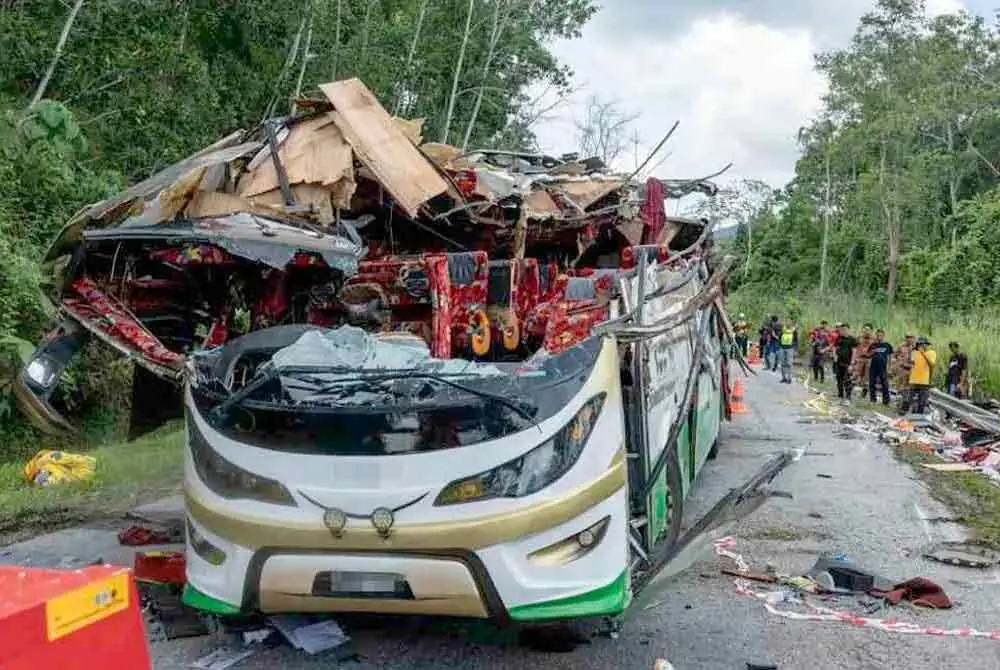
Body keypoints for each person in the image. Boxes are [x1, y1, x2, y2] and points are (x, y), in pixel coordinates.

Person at [901, 337, 937, 414]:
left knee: (922, 401)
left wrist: (923, 353)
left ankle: (919, 417)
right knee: (908, 399)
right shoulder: (914, 353)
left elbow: (931, 365)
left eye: (922, 344)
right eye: (919, 344)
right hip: (914, 380)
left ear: (926, 345)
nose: (920, 346)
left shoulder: (932, 353)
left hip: (924, 381)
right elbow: (912, 363)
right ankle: (903, 414)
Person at [867, 329, 893, 406]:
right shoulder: (873, 345)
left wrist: (889, 367)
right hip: (873, 367)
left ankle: (886, 401)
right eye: (878, 335)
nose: (879, 337)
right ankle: (873, 399)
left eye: (881, 335)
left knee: (885, 384)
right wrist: (873, 352)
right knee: (872, 383)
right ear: (876, 336)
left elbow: (890, 357)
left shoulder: (887, 345)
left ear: (884, 336)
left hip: (883, 367)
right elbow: (868, 355)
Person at [834, 323, 858, 403]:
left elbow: (854, 351)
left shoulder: (852, 339)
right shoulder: (839, 338)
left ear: (848, 330)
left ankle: (848, 397)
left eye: (845, 330)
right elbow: (835, 347)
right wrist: (835, 356)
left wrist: (852, 363)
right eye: (842, 330)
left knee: (847, 380)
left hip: (848, 363)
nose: (843, 331)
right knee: (839, 379)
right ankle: (840, 396)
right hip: (839, 362)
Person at [853, 323, 875, 399]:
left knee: (866, 377)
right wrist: (854, 358)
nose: (866, 331)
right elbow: (855, 348)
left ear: (871, 330)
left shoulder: (873, 339)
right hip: (859, 359)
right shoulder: (859, 338)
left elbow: (875, 350)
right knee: (856, 375)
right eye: (865, 329)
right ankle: (850, 390)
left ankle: (863, 393)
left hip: (868, 360)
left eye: (868, 329)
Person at [778, 317, 798, 384]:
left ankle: (789, 378)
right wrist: (779, 346)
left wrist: (795, 349)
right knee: (783, 363)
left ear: (791, 323)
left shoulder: (794, 330)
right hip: (782, 348)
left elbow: (796, 340)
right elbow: (780, 337)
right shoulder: (782, 329)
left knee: (789, 364)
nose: (788, 322)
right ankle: (784, 378)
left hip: (790, 348)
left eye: (789, 321)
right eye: (786, 321)